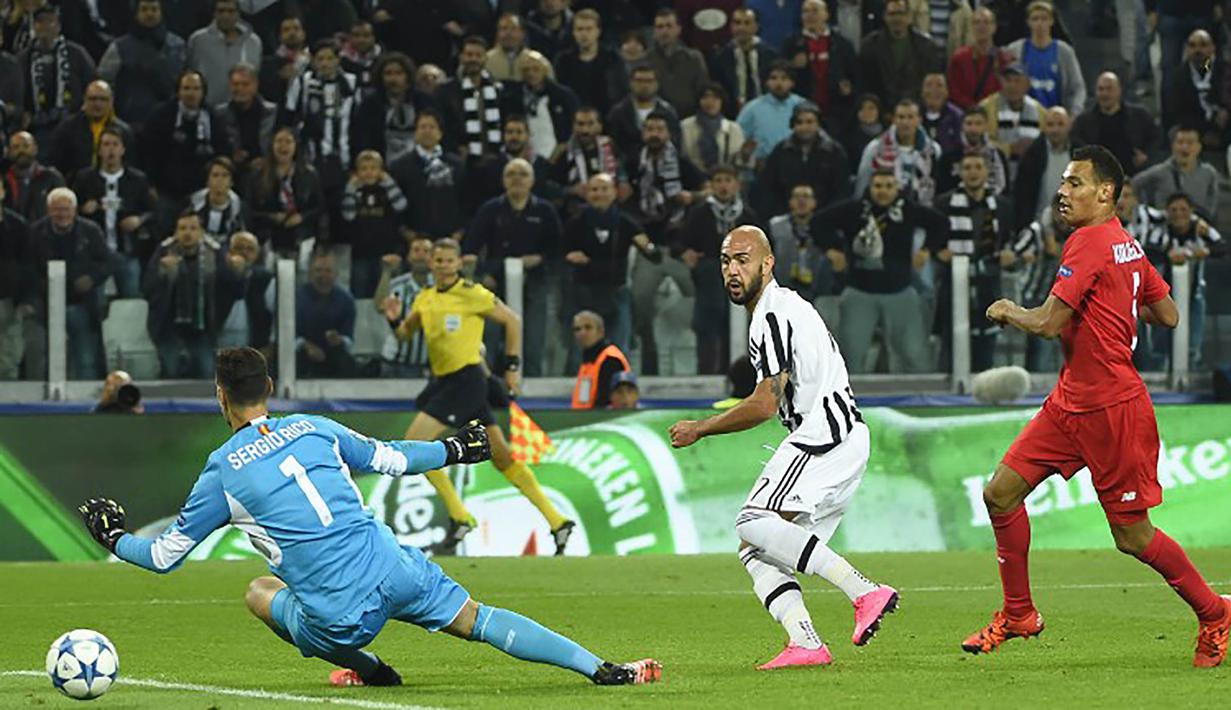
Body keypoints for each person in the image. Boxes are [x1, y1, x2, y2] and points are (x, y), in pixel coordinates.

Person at [77, 346, 661, 688]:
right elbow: (396, 459)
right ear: (271, 388)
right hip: (395, 569)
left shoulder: (222, 470)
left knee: (260, 591)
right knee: (480, 620)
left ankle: (373, 670)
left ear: (220, 396)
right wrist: (457, 450)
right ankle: (602, 669)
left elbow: (161, 556)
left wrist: (112, 537)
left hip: (339, 616)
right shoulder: (315, 428)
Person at [966, 145, 1231, 668]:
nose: (1063, 193)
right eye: (1062, 183)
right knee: (1000, 493)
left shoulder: (1088, 242)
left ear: (1106, 193)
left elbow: (1046, 323)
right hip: (1069, 404)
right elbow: (1169, 313)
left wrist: (1007, 310)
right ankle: (1019, 613)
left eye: (1075, 184)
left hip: (1112, 409)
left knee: (1132, 536)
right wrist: (1120, 307)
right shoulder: (1126, 245)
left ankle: (1214, 612)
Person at [669, 225, 899, 670]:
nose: (733, 270)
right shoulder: (786, 307)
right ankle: (805, 641)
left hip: (825, 433)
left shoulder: (772, 313)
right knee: (755, 547)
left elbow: (764, 403)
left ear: (767, 263)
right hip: (842, 435)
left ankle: (863, 590)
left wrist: (701, 427)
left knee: (752, 519)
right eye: (725, 261)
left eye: (743, 259)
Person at [384, 238, 577, 553]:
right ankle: (558, 521)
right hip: (445, 381)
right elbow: (405, 335)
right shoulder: (425, 298)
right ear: (430, 263)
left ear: (459, 263)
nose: (444, 265)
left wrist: (512, 366)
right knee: (501, 456)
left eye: (449, 260)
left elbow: (512, 320)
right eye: (439, 260)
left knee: (415, 446)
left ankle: (460, 516)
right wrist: (393, 318)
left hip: (467, 379)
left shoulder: (473, 294)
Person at [817, 168, 948, 373]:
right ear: (870, 187)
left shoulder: (908, 210)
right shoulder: (854, 209)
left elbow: (941, 223)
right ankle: (847, 402)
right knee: (850, 355)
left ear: (897, 188)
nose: (883, 191)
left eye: (889, 186)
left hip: (900, 292)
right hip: (859, 292)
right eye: (878, 186)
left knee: (914, 355)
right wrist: (832, 250)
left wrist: (927, 250)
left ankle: (920, 400)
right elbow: (818, 222)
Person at [462, 157, 560, 377]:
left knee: (534, 339)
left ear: (533, 180)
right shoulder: (490, 209)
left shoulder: (545, 211)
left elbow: (557, 250)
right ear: (503, 180)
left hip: (535, 282)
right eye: (511, 174)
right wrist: (483, 274)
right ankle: (488, 386)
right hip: (495, 284)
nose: (517, 179)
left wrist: (539, 259)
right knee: (490, 338)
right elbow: (471, 247)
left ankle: (534, 385)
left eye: (523, 174)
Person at [71, 127, 155, 299]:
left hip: (127, 252)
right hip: (95, 256)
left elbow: (153, 212)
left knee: (132, 300)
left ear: (123, 149)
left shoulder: (138, 179)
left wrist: (138, 220)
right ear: (99, 150)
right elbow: (70, 211)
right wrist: (82, 209)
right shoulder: (84, 178)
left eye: (115, 144)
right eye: (106, 144)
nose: (111, 149)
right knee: (97, 304)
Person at [144, 210, 226, 379]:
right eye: (182, 228)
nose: (187, 233)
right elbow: (146, 288)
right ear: (176, 232)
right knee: (171, 371)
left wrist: (237, 271)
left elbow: (231, 288)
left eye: (193, 228)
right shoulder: (163, 252)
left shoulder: (215, 254)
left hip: (201, 327)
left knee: (206, 372)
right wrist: (161, 273)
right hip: (168, 327)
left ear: (201, 232)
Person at [96, 0, 187, 131]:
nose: (149, 14)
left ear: (161, 12)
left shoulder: (177, 46)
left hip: (170, 123)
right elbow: (103, 82)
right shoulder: (119, 47)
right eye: (144, 9)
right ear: (136, 14)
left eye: (154, 9)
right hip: (129, 122)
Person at [16, 6, 95, 151]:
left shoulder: (77, 53)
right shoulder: (23, 58)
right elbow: (17, 90)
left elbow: (92, 83)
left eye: (50, 21)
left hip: (72, 123)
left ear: (58, 26)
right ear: (34, 27)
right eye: (40, 22)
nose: (45, 26)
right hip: (36, 126)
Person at [781, 0, 857, 125]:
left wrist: (849, 91)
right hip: (802, 114)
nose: (810, 15)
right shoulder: (790, 45)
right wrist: (793, 66)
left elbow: (855, 77)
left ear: (826, 14)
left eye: (815, 10)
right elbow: (782, 76)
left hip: (836, 114)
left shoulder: (842, 45)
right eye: (805, 11)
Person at [857, 0, 941, 111]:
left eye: (901, 13)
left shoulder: (926, 47)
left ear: (909, 16)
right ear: (885, 17)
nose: (897, 19)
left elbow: (931, 84)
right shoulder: (869, 46)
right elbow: (865, 85)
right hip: (882, 113)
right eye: (892, 14)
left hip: (916, 112)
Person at [855, 98, 941, 206]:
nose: (905, 122)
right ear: (894, 120)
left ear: (919, 120)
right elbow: (862, 185)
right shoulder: (875, 148)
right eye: (901, 117)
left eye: (910, 117)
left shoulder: (933, 150)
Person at [1069, 72, 1157, 178]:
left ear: (1119, 91)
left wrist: (1146, 156)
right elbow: (1076, 145)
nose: (1105, 93)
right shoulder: (1083, 121)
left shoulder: (1140, 116)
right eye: (1101, 89)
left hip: (1133, 178)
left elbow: (1156, 140)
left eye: (1109, 89)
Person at [1005, 1, 1085, 115]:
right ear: (1028, 22)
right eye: (1035, 19)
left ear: (1052, 21)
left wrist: (1074, 114)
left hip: (1056, 118)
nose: (1039, 23)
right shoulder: (1015, 50)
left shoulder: (1064, 51)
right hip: (1024, 118)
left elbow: (1077, 87)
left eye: (1044, 19)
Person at [46, 80, 133, 181]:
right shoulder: (66, 129)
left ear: (111, 101)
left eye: (103, 99)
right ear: (85, 100)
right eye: (93, 99)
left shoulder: (124, 131)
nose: (97, 104)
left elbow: (130, 167)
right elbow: (55, 164)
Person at [769, 183, 842, 302]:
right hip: (781, 290)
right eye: (797, 196)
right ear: (790, 202)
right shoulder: (775, 226)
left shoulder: (826, 228)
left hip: (817, 292)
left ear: (814, 203)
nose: (801, 200)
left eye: (806, 196)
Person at [1132, 126, 1221, 221]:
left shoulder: (1209, 173)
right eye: (1180, 142)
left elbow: (1212, 204)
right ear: (1173, 146)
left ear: (1199, 147)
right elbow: (1133, 184)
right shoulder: (1159, 172)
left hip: (1196, 229)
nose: (1184, 147)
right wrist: (1146, 212)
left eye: (1190, 143)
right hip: (1164, 230)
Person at [375, 236, 434, 377]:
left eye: (426, 251)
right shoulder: (397, 286)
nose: (420, 255)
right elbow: (379, 306)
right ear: (408, 257)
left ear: (433, 259)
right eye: (416, 250)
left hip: (430, 365)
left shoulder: (441, 287)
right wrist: (386, 272)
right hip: (396, 364)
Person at [186, 0, 262, 107]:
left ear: (238, 13)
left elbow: (256, 76)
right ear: (214, 13)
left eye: (231, 11)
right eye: (221, 11)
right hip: (207, 109)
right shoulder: (198, 40)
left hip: (243, 109)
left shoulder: (253, 42)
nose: (225, 16)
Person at [553, 8, 627, 117]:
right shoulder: (563, 60)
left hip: (607, 118)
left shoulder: (612, 59)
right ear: (573, 32)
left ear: (598, 31)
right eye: (580, 29)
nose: (584, 34)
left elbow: (621, 92)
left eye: (589, 29)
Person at [296, 250, 357, 379]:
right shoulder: (295, 297)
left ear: (336, 274)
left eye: (328, 270)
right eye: (318, 270)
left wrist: (339, 340)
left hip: (333, 354)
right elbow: (287, 335)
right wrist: (306, 345)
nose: (323, 275)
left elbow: (349, 339)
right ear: (310, 273)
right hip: (301, 355)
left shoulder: (346, 299)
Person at [1014, 106, 1075, 230]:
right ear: (1043, 127)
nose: (1055, 130)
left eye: (1060, 124)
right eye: (1050, 125)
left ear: (1069, 126)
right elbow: (1022, 196)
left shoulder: (1080, 154)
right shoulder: (1031, 155)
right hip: (1039, 227)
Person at [711, 7, 780, 116]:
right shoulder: (720, 58)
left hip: (768, 111)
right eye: (737, 23)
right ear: (731, 26)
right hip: (733, 114)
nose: (741, 28)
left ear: (756, 26)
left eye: (747, 23)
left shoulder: (771, 56)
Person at [644, 8, 710, 119]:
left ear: (678, 29)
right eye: (660, 27)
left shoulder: (694, 58)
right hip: (657, 120)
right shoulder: (646, 60)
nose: (664, 31)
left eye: (669, 26)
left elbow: (703, 91)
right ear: (654, 31)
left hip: (690, 118)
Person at [946, 7, 1013, 110]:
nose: (981, 27)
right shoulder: (959, 58)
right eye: (976, 22)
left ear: (994, 27)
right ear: (971, 27)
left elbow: (1007, 90)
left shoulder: (1003, 58)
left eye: (986, 22)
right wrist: (973, 108)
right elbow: (953, 90)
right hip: (966, 116)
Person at [680, 84, 750, 174]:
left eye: (715, 98)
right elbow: (683, 158)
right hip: (694, 179)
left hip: (725, 180)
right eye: (705, 97)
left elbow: (740, 163)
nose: (710, 102)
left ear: (722, 101)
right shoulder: (685, 126)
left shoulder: (733, 128)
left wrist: (746, 155)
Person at [570, 310, 631, 409]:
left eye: (588, 327)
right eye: (577, 329)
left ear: (600, 331)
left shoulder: (610, 360)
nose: (582, 333)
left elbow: (607, 403)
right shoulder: (589, 360)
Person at [4, 131, 65, 223]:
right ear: (9, 152)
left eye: (26, 146)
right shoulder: (3, 180)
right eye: (16, 147)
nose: (21, 151)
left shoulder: (52, 177)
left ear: (35, 148)